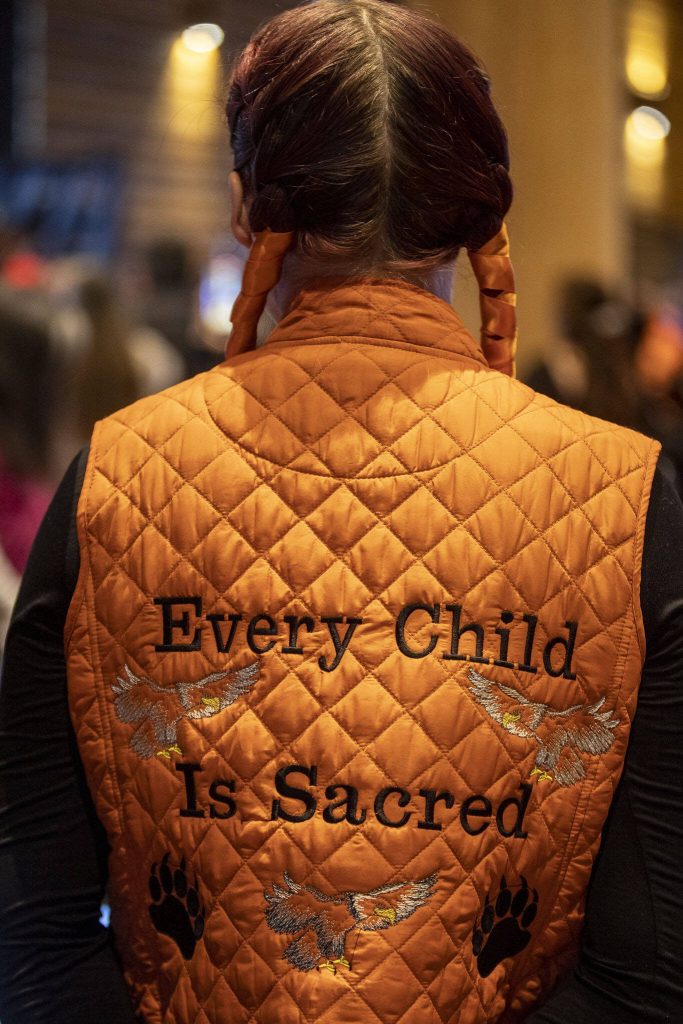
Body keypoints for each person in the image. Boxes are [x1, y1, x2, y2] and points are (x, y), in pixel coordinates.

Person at [0, 2, 681, 1022]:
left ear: (245, 206)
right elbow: (646, 974)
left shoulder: (117, 473)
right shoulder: (621, 494)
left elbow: (36, 940)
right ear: (477, 215)